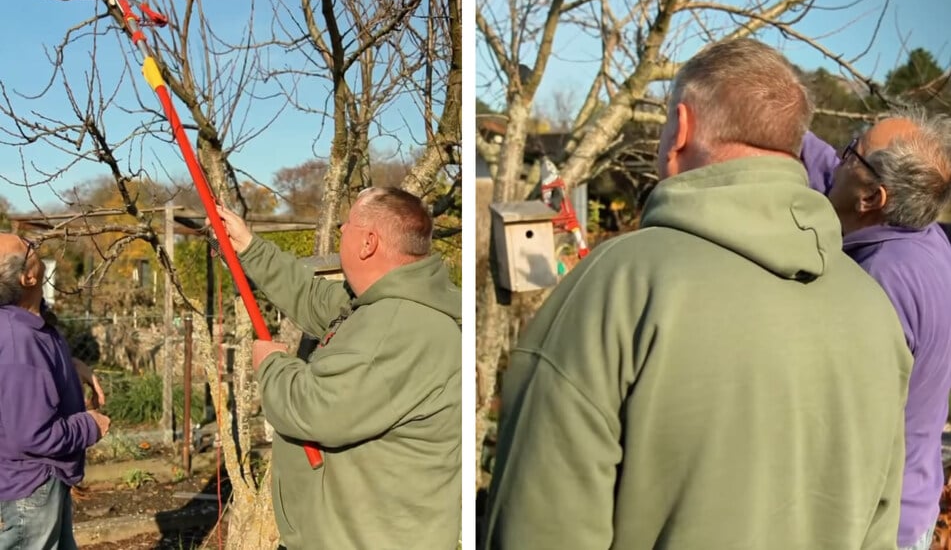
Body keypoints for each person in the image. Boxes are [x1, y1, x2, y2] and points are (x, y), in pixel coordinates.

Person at [481, 38, 911, 549]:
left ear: (680, 129)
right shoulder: (875, 312)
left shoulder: (617, 286)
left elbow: (538, 527)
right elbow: (881, 524)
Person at [214, 187, 461, 550]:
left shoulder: (399, 327)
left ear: (368, 242)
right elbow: (310, 297)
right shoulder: (378, 305)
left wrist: (271, 365)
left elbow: (314, 409)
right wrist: (249, 246)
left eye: (348, 224)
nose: (341, 229)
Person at [802, 108, 951, 550]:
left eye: (852, 150)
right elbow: (829, 167)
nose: (840, 156)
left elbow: (844, 428)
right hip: (914, 502)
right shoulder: (924, 235)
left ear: (870, 199)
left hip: (878, 528)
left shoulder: (880, 282)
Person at [0, 233, 110, 549]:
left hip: (41, 481)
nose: (34, 244)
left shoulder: (29, 324)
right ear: (28, 277)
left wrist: (70, 365)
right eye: (28, 247)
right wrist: (90, 425)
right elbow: (32, 435)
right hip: (32, 486)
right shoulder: (19, 342)